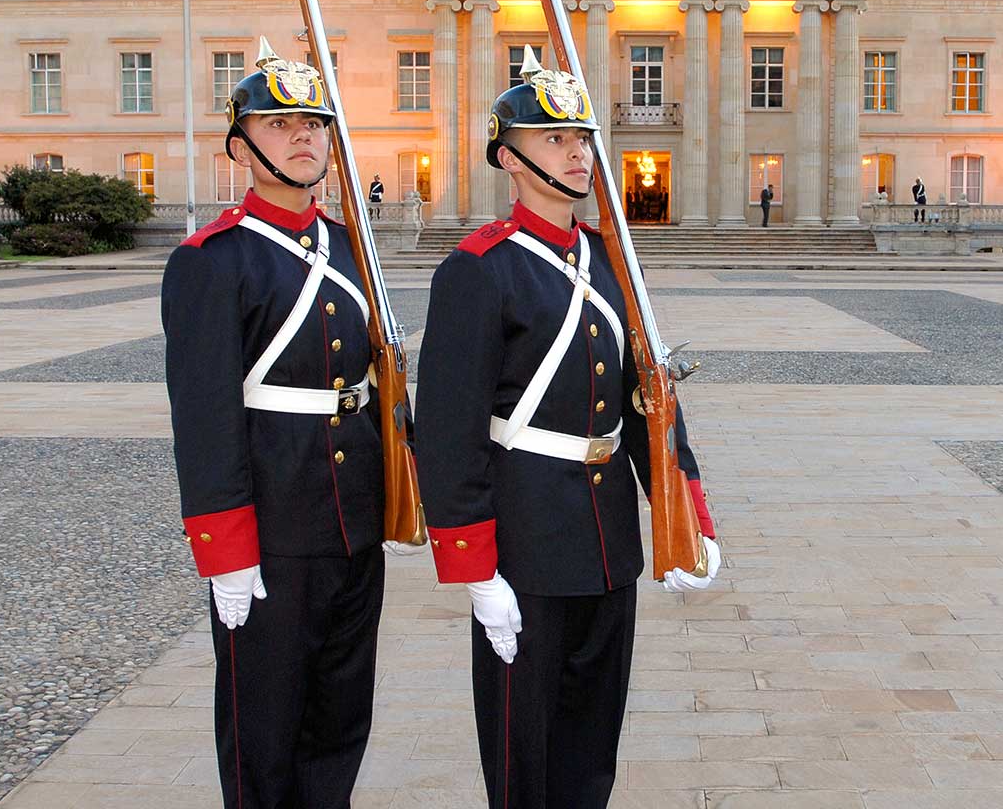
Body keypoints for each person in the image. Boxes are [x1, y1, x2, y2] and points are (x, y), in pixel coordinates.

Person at [416, 64, 721, 809]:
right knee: (525, 746)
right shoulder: (477, 270)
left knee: (591, 746)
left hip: (609, 537)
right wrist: (473, 566)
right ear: (508, 158)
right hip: (524, 538)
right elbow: (448, 432)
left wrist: (688, 520)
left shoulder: (612, 261)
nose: (577, 152)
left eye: (581, 135)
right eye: (553, 138)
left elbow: (648, 401)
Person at [162, 41, 411, 809]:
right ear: (240, 146)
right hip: (271, 519)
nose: (304, 137)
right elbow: (203, 417)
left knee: (341, 717)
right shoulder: (214, 259)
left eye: (315, 123)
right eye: (280, 124)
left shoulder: (350, 245)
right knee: (264, 725)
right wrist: (225, 549)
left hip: (352, 519)